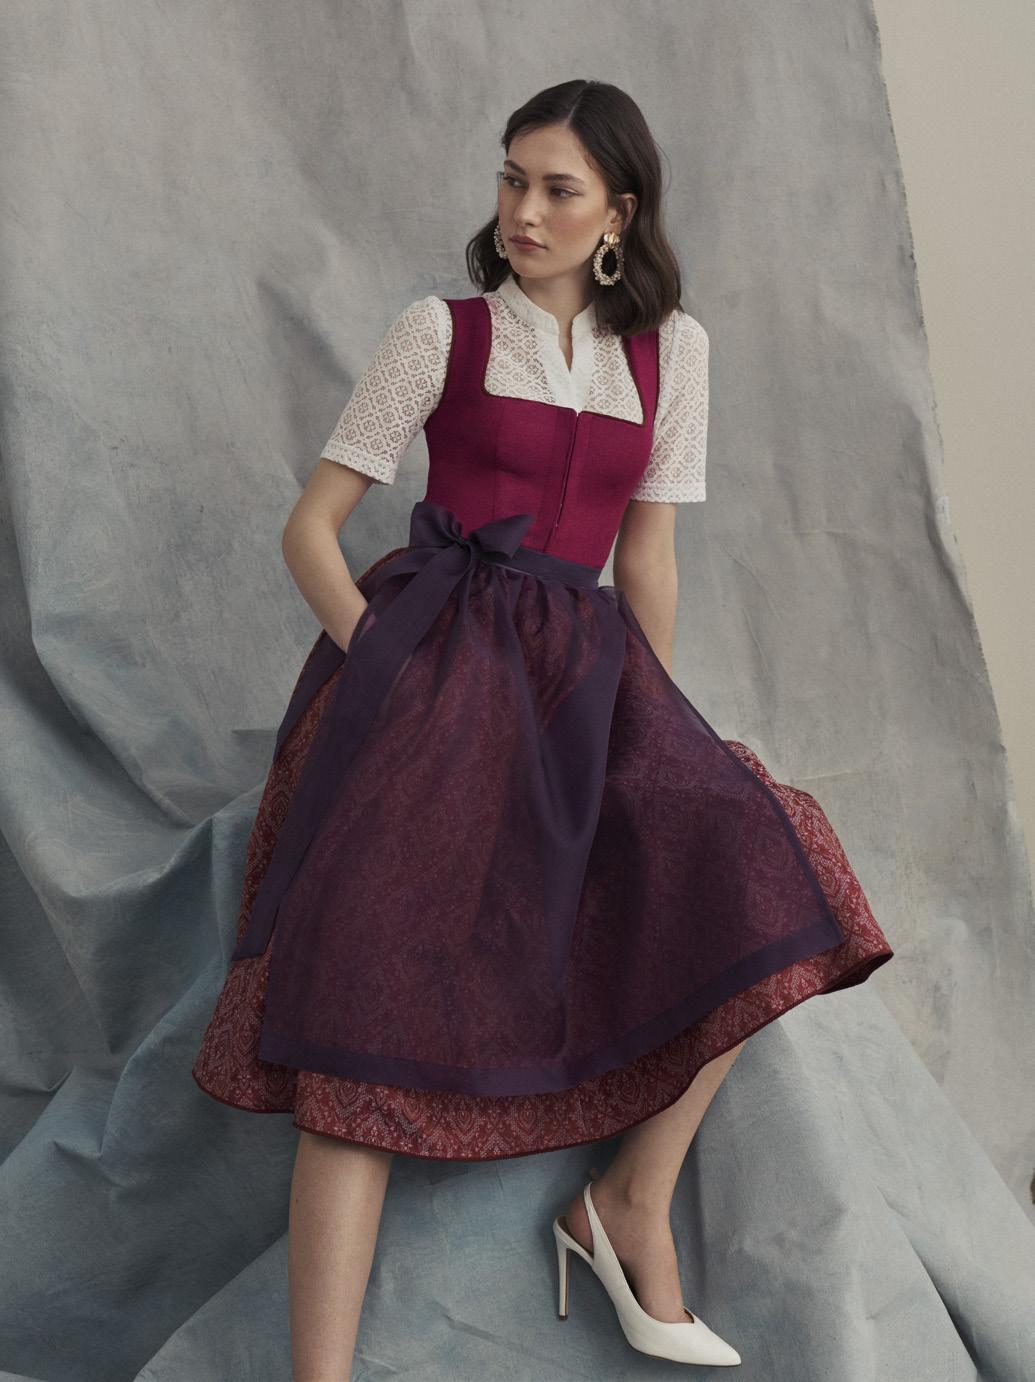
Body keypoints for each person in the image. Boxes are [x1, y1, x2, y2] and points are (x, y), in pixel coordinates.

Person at [192, 78, 894, 1379]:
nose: (522, 209)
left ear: (617, 212)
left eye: (557, 189)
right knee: (357, 1025)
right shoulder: (441, 332)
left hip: (582, 681)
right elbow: (310, 529)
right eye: (511, 179)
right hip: (427, 678)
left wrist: (660, 732)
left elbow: (649, 556)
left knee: (771, 855)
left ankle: (625, 1202)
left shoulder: (672, 352)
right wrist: (389, 668)